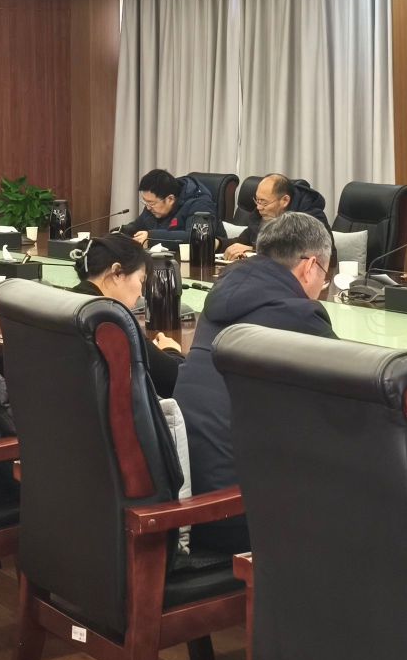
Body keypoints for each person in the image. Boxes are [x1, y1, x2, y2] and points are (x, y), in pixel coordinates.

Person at [175, 211, 334, 553]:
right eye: (325, 274)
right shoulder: (300, 315)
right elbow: (352, 399)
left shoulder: (222, 295)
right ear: (310, 266)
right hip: (239, 515)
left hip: (189, 496)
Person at [74, 235, 182, 395]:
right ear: (117, 272)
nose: (141, 294)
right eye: (141, 280)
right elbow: (175, 380)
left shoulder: (65, 302)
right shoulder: (111, 320)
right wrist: (171, 351)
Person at [222, 173, 328, 260]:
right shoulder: (260, 215)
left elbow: (309, 253)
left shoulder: (311, 217)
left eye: (264, 202)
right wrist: (218, 243)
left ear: (285, 200)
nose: (259, 207)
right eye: (257, 200)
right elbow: (242, 242)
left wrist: (253, 250)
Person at [125, 170, 216, 245]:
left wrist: (151, 237)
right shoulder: (152, 206)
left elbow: (197, 237)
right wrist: (121, 232)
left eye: (151, 203)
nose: (148, 208)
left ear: (170, 199)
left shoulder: (200, 204)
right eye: (145, 202)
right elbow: (137, 226)